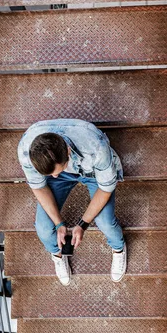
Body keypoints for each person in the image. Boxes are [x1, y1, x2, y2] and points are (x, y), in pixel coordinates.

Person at [17, 118, 127, 286]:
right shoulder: (27, 150)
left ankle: (118, 248)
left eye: (55, 172)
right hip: (65, 172)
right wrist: (59, 223)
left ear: (68, 151)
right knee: (44, 228)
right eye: (49, 175)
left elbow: (105, 189)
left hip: (92, 173)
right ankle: (57, 254)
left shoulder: (95, 147)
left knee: (105, 222)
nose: (53, 177)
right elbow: (39, 187)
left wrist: (82, 224)